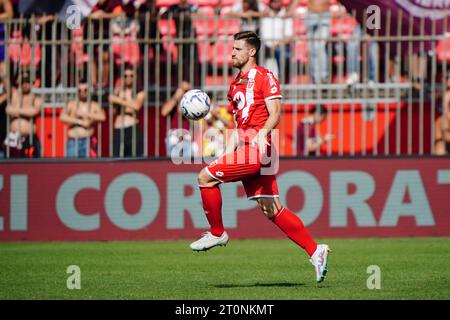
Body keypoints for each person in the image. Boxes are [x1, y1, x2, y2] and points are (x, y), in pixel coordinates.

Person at [190, 31, 331, 283]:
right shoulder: (235, 85)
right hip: (246, 147)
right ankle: (315, 250)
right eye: (231, 49)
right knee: (272, 209)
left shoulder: (265, 76)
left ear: (251, 51)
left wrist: (262, 134)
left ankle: (217, 232)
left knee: (205, 177)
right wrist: (227, 152)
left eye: (237, 49)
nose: (232, 53)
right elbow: (237, 125)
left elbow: (275, 112)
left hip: (259, 149)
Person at [59, 80, 105, 158]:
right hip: (73, 142)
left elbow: (102, 117)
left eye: (85, 90)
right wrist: (79, 121)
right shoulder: (72, 104)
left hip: (88, 141)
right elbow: (62, 117)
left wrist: (86, 115)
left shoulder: (94, 105)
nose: (82, 92)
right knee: (71, 167)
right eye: (79, 90)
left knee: (89, 168)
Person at [109, 64, 145, 157]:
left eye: (131, 76)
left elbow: (136, 106)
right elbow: (112, 112)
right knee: (116, 160)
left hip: (132, 129)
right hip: (118, 129)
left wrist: (119, 100)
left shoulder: (140, 92)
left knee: (135, 159)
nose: (128, 78)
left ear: (135, 77)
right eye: (125, 76)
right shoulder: (117, 91)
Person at [4, 72, 42, 158]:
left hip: (30, 138)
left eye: (27, 82)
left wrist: (15, 110)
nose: (25, 84)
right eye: (23, 82)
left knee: (33, 164)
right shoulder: (14, 95)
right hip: (13, 138)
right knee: (10, 163)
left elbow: (34, 111)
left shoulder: (36, 98)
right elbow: (8, 110)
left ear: (32, 83)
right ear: (19, 82)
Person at [161, 80, 199, 159]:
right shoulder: (173, 101)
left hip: (187, 136)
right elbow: (164, 112)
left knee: (189, 161)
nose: (184, 93)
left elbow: (197, 126)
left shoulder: (194, 104)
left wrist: (187, 112)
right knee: (173, 161)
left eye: (187, 91)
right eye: (183, 90)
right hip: (174, 136)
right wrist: (177, 96)